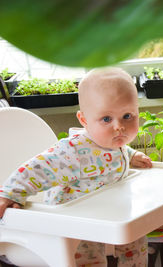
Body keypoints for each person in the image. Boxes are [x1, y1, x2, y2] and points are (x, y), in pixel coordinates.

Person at [0, 67, 152, 266]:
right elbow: (35, 169)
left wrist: (131, 155)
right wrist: (10, 193)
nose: (119, 127)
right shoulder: (73, 152)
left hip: (109, 211)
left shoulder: (111, 140)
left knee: (135, 236)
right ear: (84, 120)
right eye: (106, 119)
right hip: (73, 223)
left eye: (128, 116)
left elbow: (117, 149)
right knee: (89, 260)